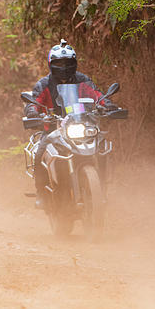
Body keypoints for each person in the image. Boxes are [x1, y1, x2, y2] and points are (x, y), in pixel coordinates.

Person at [23, 40, 115, 209]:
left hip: (82, 126)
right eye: (59, 63)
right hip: (53, 130)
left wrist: (108, 106)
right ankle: (42, 194)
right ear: (51, 64)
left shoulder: (83, 80)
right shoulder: (44, 84)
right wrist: (35, 114)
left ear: (74, 63)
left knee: (102, 146)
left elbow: (98, 95)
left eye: (67, 62)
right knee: (40, 151)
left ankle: (100, 188)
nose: (63, 66)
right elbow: (33, 103)